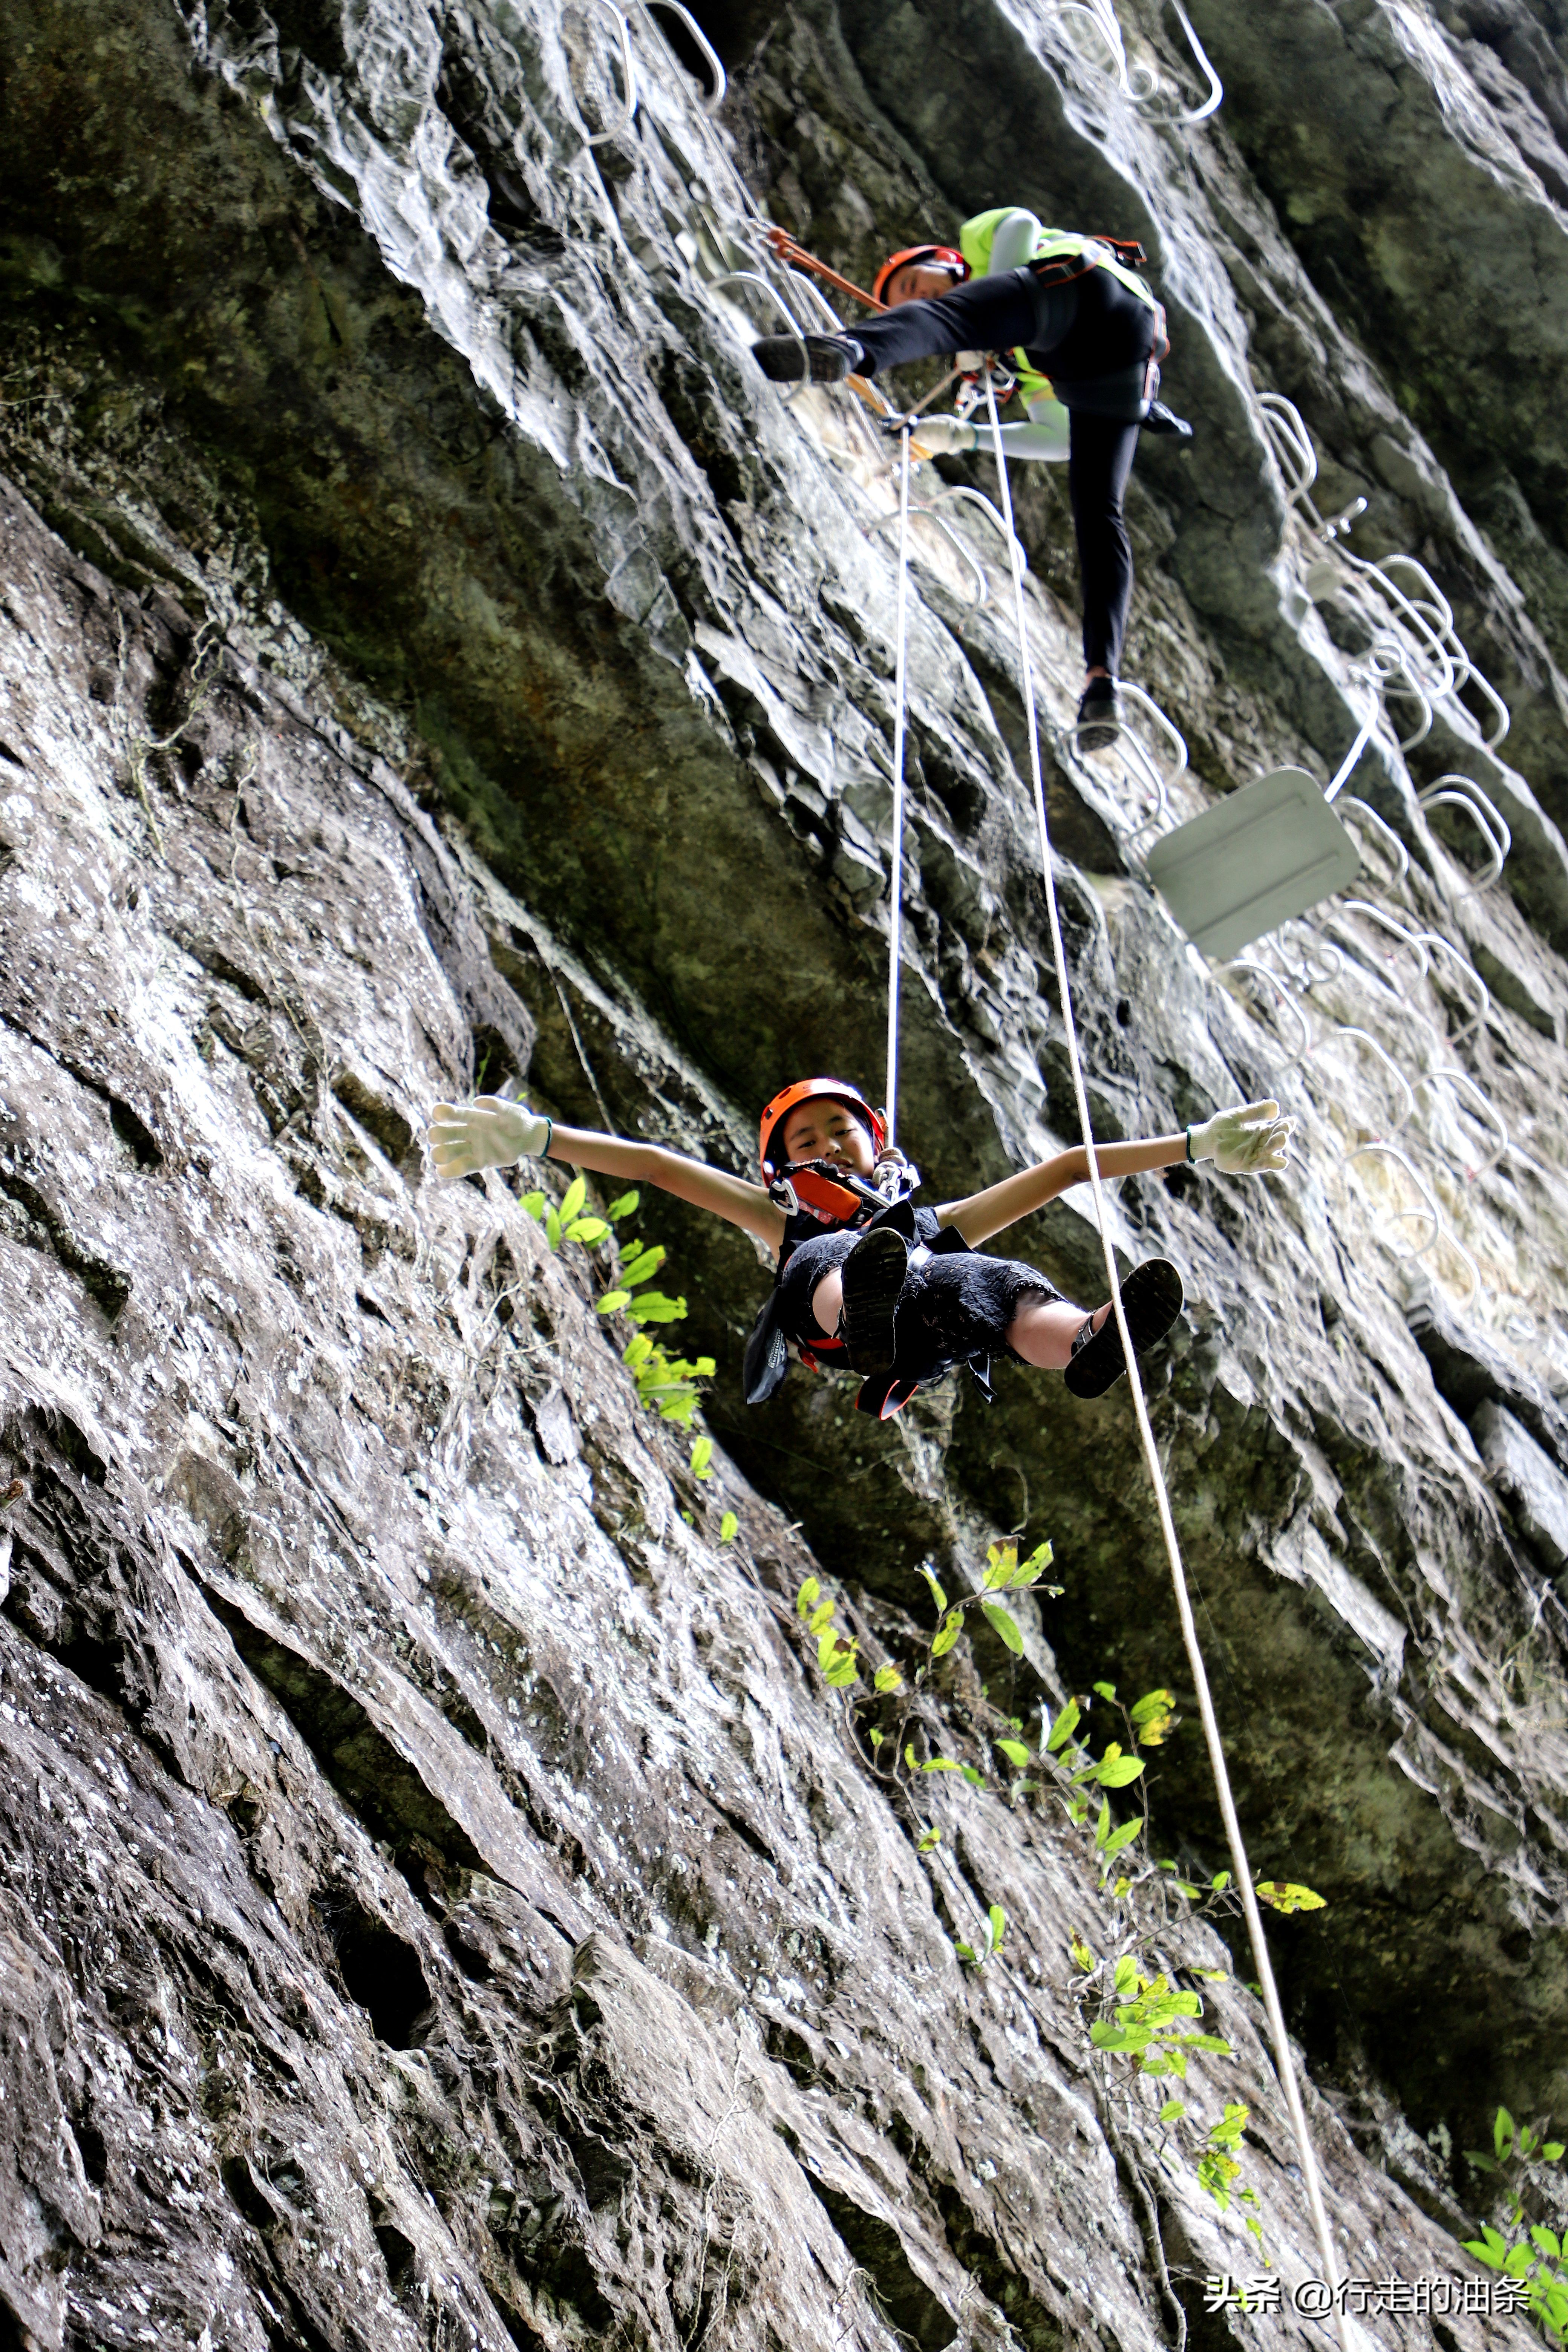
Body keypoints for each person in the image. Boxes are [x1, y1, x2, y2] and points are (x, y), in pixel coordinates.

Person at [427, 1079, 1290, 1421]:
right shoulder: (784, 1221)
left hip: (922, 1326)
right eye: (807, 1139)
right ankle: (867, 1303)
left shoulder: (933, 1224)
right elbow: (659, 1168)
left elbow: (1064, 1169)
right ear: (779, 1169)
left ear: (878, 1143)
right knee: (824, 1262)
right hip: (841, 1327)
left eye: (841, 1129)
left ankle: (1087, 1340)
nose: (829, 1144)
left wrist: (1193, 1145)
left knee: (993, 1281)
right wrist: (539, 1137)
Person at [749, 210, 1191, 749]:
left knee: (949, 321)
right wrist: (965, 436)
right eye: (905, 302)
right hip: (1121, 356)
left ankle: (851, 349)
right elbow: (1060, 438)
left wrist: (976, 325)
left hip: (1077, 286)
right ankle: (1103, 682)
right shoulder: (1024, 366)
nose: (917, 300)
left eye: (915, 285)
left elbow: (1020, 226)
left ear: (945, 260)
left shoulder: (977, 244)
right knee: (1100, 512)